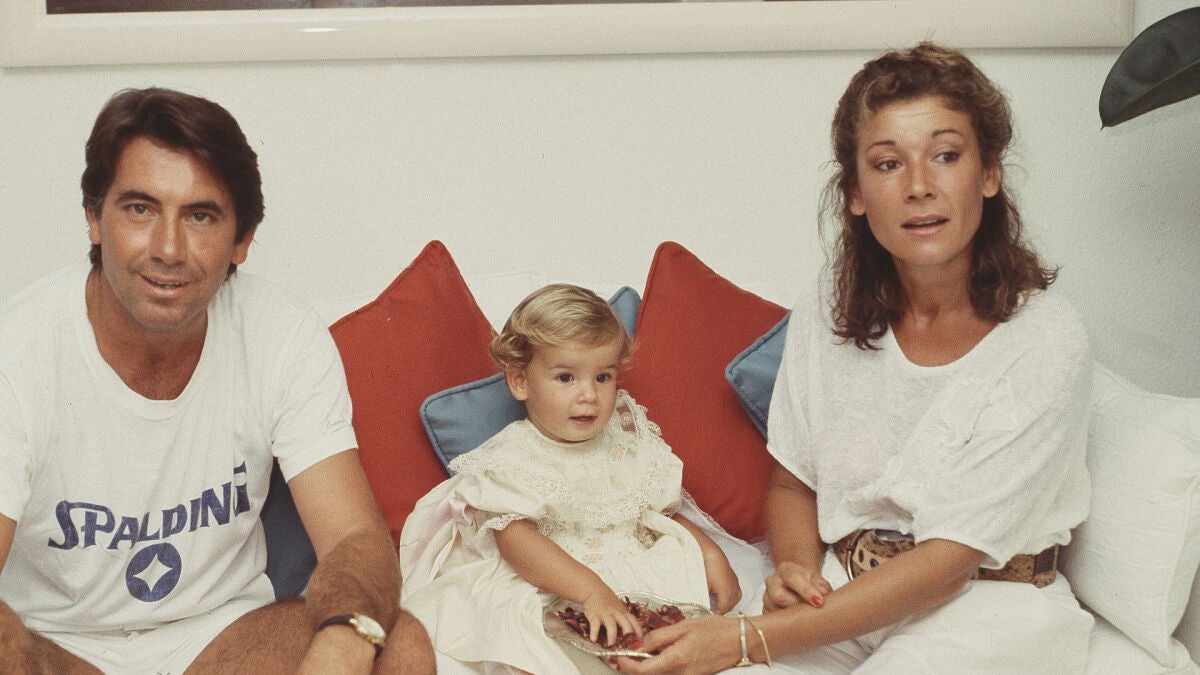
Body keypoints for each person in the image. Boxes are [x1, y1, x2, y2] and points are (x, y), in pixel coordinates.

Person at [617, 42, 1095, 674]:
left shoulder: (1045, 338)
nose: (920, 187)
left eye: (946, 156)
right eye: (888, 164)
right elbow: (793, 482)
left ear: (988, 175)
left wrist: (747, 638)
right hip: (842, 591)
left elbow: (947, 564)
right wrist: (795, 572)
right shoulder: (829, 304)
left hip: (989, 604)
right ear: (856, 194)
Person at [0, 87, 435, 674]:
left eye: (200, 216)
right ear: (94, 218)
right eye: (140, 209)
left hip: (219, 642)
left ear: (242, 240)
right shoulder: (17, 351)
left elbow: (353, 538)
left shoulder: (281, 332)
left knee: (397, 642)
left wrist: (344, 643)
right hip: (58, 645)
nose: (168, 249)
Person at [398, 283, 744, 673]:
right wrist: (591, 592)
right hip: (551, 579)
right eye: (566, 378)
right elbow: (516, 540)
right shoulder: (515, 455)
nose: (589, 395)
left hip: (632, 565)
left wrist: (710, 555)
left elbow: (659, 512)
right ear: (520, 381)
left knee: (675, 636)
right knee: (533, 637)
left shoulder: (625, 439)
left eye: (603, 377)